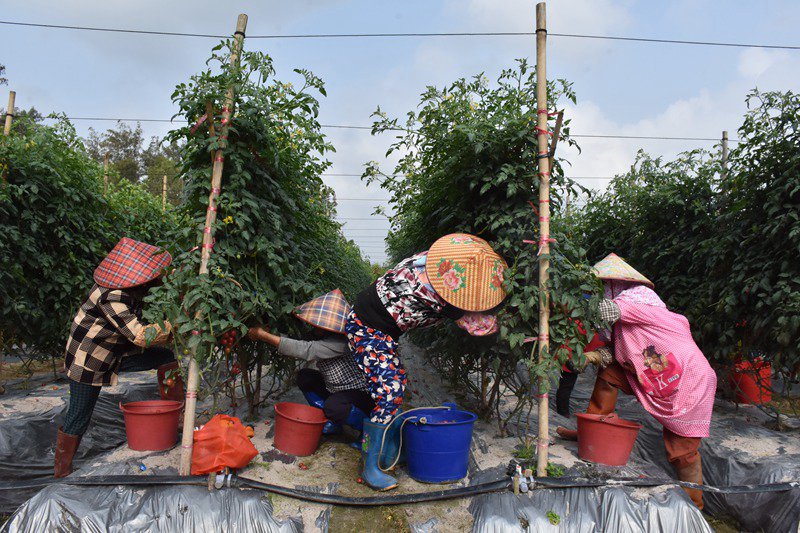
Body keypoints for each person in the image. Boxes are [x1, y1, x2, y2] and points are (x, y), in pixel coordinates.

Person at [346, 233, 508, 490]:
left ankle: (387, 452)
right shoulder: (443, 297)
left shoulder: (426, 260)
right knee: (389, 393)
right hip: (367, 328)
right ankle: (370, 466)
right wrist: (513, 318)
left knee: (395, 385)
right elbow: (480, 326)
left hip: (381, 330)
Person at [557, 253, 716, 510]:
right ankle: (592, 428)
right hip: (656, 373)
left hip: (689, 380)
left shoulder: (641, 305)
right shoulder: (626, 321)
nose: (601, 292)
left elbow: (605, 309)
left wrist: (558, 299)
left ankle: (695, 505)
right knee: (609, 376)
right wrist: (593, 356)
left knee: (682, 451)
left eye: (602, 287)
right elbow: (622, 352)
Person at [55, 237, 180, 478]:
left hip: (115, 351)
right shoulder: (112, 296)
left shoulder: (131, 289)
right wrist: (177, 324)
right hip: (89, 359)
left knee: (165, 358)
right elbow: (141, 336)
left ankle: (179, 418)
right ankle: (62, 472)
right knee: (80, 415)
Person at [247, 289, 373, 440]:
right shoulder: (327, 336)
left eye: (318, 324)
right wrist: (271, 334)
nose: (314, 326)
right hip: (336, 389)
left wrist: (263, 335)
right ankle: (333, 420)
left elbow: (306, 349)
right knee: (305, 377)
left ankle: (368, 431)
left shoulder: (341, 343)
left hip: (359, 393)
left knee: (334, 407)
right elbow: (298, 342)